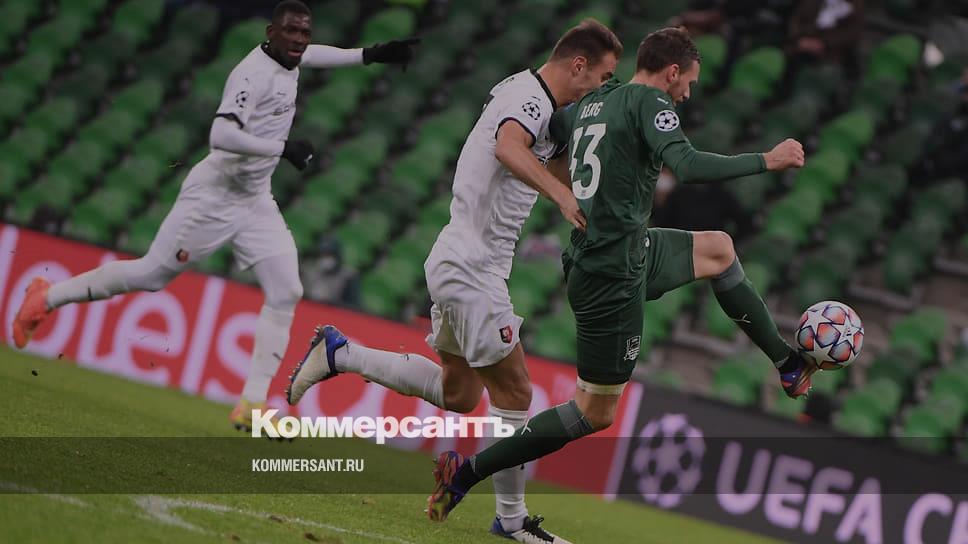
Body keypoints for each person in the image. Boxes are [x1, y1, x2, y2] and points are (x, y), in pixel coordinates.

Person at [425, 27, 812, 521]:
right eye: (688, 82)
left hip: (627, 249)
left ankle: (787, 363)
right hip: (611, 275)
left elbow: (554, 130)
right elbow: (687, 166)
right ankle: (465, 473)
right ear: (671, 72)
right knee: (595, 412)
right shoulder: (650, 102)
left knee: (718, 249)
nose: (687, 93)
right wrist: (767, 160)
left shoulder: (593, 101)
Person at [285, 19, 623, 544]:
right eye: (601, 77)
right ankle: (511, 520)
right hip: (472, 267)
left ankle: (340, 353)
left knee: (460, 393)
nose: (599, 89)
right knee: (515, 390)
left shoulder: (539, 106)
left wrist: (579, 166)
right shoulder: (528, 99)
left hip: (462, 261)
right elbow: (507, 148)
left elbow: (546, 166)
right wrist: (562, 197)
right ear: (578, 64)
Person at [10, 0, 418, 434]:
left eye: (305, 32)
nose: (300, 40)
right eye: (291, 31)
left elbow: (315, 54)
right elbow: (220, 134)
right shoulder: (251, 74)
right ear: (270, 33)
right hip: (215, 196)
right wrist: (282, 148)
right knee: (150, 275)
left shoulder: (292, 58)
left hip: (255, 199)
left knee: (286, 290)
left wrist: (369, 55)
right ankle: (46, 296)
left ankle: (252, 403)